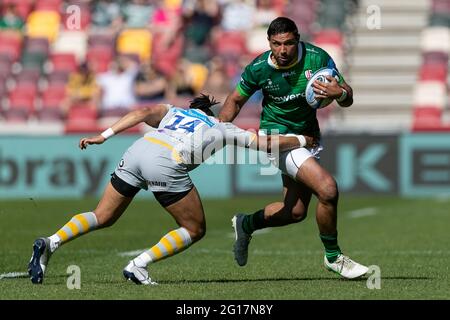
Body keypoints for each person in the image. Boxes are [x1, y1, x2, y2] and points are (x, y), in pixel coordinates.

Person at [28, 94, 316, 285]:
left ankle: (50, 242)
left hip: (139, 149)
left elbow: (141, 112)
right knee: (194, 228)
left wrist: (104, 136)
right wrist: (303, 141)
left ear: (193, 109)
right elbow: (265, 144)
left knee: (102, 215)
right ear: (212, 112)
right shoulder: (222, 126)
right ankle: (138, 265)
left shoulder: (174, 111)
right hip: (166, 161)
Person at [218, 17, 369, 279]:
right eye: (276, 44)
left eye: (288, 43)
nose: (283, 50)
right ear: (269, 43)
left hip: (309, 135)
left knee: (295, 212)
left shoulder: (317, 58)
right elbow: (235, 100)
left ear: (297, 39)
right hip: (276, 137)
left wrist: (340, 94)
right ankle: (334, 257)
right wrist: (216, 130)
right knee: (328, 189)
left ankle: (246, 223)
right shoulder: (258, 68)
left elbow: (347, 97)